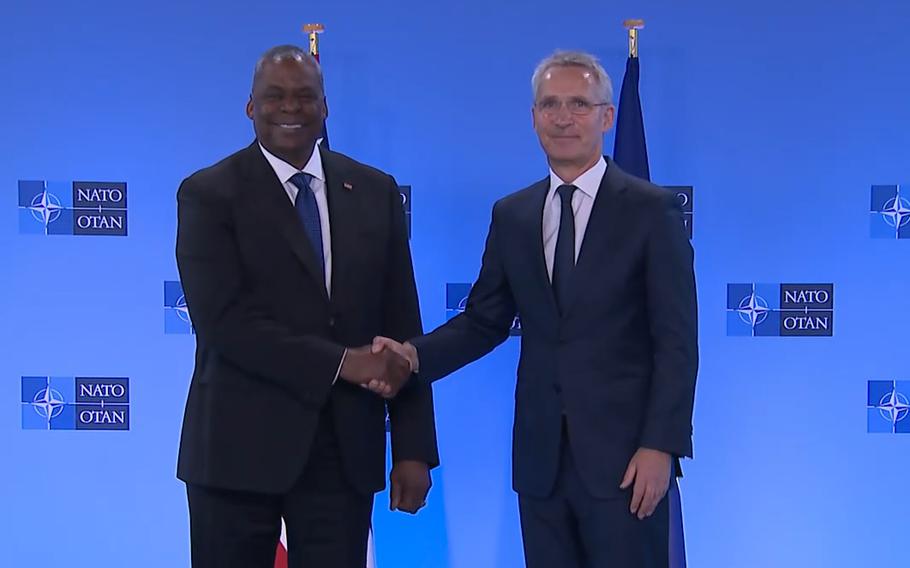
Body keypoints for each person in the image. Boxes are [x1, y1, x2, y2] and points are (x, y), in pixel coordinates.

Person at [371, 50, 697, 568]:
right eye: (550, 105)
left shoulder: (652, 211)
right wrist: (412, 356)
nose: (563, 117)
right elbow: (484, 320)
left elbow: (676, 343)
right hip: (541, 464)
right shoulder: (513, 214)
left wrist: (662, 446)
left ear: (606, 117)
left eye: (578, 104)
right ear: (533, 117)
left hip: (628, 465)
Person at [175, 44, 438, 568]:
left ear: (325, 107)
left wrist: (412, 447)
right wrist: (342, 362)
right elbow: (224, 323)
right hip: (236, 453)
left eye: (304, 97)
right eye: (274, 97)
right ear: (251, 107)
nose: (289, 108)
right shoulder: (208, 193)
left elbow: (402, 325)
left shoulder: (375, 190)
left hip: (342, 453)